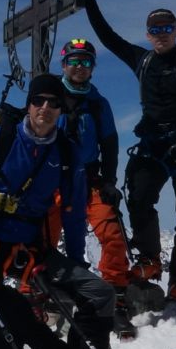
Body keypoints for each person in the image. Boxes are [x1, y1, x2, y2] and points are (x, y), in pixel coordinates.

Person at [0, 73, 127, 349]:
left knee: (98, 292)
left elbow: (75, 211)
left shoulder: (66, 151)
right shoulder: (0, 139)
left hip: (33, 248)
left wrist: (75, 258)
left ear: (62, 108)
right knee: (1, 314)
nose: (45, 108)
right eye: (38, 100)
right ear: (29, 104)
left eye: (53, 102)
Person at [75, 0, 176, 304]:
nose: (161, 34)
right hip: (154, 144)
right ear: (147, 34)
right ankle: (150, 259)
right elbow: (108, 37)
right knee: (138, 197)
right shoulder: (143, 61)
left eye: (167, 28)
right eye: (155, 29)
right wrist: (89, 1)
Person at [57, 38, 136, 328]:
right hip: (55, 179)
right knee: (43, 234)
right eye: (74, 61)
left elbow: (110, 144)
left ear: (93, 68)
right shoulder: (50, 97)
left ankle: (115, 293)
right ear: (64, 65)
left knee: (111, 233)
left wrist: (110, 181)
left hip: (90, 179)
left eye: (86, 62)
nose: (80, 67)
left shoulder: (99, 104)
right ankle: (40, 294)